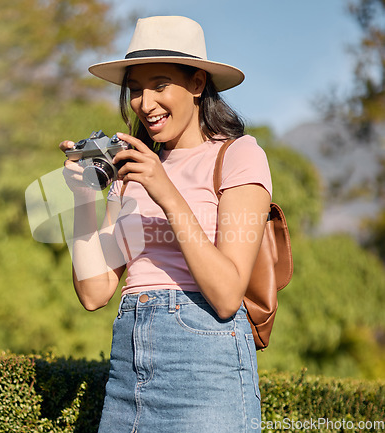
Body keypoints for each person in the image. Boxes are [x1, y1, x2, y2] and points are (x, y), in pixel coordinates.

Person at [59, 15, 271, 433]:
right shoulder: (132, 168)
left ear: (197, 83)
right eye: (135, 90)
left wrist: (165, 189)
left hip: (205, 369)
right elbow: (94, 291)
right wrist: (84, 198)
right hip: (127, 370)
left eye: (159, 84)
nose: (145, 102)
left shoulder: (238, 155)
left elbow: (228, 295)